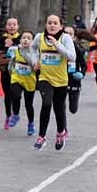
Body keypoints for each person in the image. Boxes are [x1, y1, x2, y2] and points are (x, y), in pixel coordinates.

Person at [33, 15, 77, 151]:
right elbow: (33, 48)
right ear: (46, 25)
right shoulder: (39, 37)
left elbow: (72, 56)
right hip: (45, 78)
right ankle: (41, 136)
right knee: (46, 103)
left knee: (59, 108)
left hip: (61, 80)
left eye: (55, 23)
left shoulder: (65, 38)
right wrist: (35, 61)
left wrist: (57, 45)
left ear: (60, 26)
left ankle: (60, 133)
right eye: (49, 23)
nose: (52, 25)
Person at [7, 30, 38, 136]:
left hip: (30, 81)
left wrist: (25, 54)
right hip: (17, 78)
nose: (26, 40)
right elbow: (12, 61)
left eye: (29, 38)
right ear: (20, 40)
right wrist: (10, 69)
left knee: (29, 105)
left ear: (33, 42)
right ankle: (15, 114)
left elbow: (34, 65)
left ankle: (31, 123)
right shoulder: (16, 50)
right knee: (15, 94)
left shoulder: (36, 52)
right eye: (24, 37)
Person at [0, 17, 22, 130]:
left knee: (16, 94)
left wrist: (15, 44)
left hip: (19, 71)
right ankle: (8, 115)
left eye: (14, 24)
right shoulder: (1, 38)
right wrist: (5, 47)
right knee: (7, 94)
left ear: (18, 27)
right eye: (9, 24)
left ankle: (15, 113)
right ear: (6, 27)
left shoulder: (22, 38)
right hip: (6, 70)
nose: (12, 26)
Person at [65, 26, 88, 116]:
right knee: (59, 105)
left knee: (73, 109)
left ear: (74, 37)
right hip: (60, 79)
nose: (67, 36)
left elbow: (84, 65)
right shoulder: (57, 48)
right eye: (65, 34)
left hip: (74, 80)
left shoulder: (77, 49)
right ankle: (62, 127)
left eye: (70, 34)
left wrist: (81, 74)